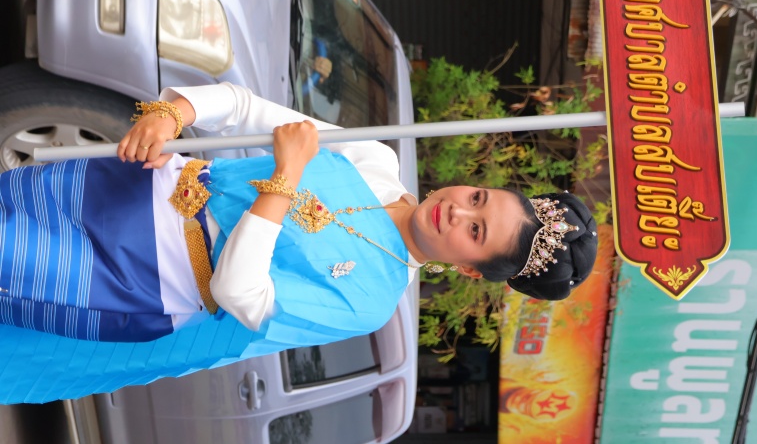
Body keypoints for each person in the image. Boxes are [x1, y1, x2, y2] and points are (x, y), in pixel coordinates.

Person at [0, 82, 597, 404]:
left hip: (136, 275)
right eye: (478, 198)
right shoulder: (376, 157)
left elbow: (239, 293)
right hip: (130, 184)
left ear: (469, 270)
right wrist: (175, 113)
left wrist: (285, 181)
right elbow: (243, 107)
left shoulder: (369, 301)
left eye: (475, 231)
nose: (457, 209)